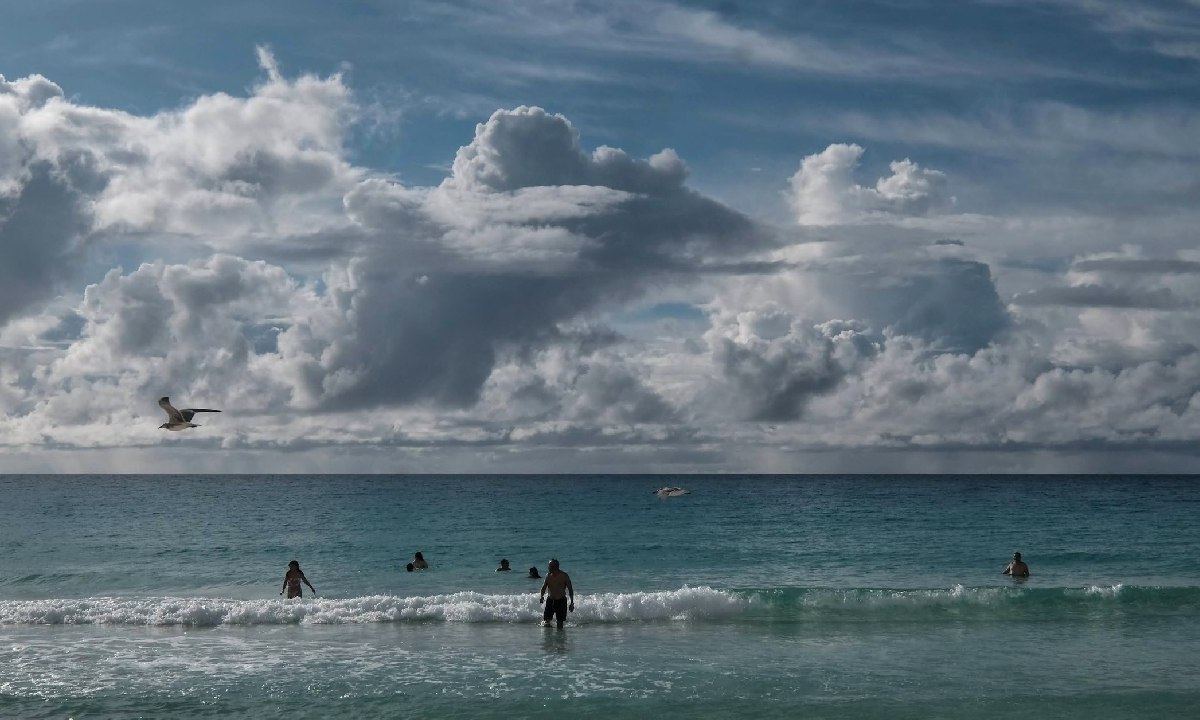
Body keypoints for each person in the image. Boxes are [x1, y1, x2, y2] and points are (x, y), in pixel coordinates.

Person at [538, 558, 574, 629]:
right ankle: (548, 638)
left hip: (561, 601)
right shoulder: (548, 576)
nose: (548, 567)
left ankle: (559, 638)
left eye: (549, 566)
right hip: (550, 600)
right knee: (546, 622)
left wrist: (572, 602)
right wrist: (541, 597)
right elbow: (544, 587)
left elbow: (570, 589)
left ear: (555, 567)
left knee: (560, 624)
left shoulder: (564, 576)